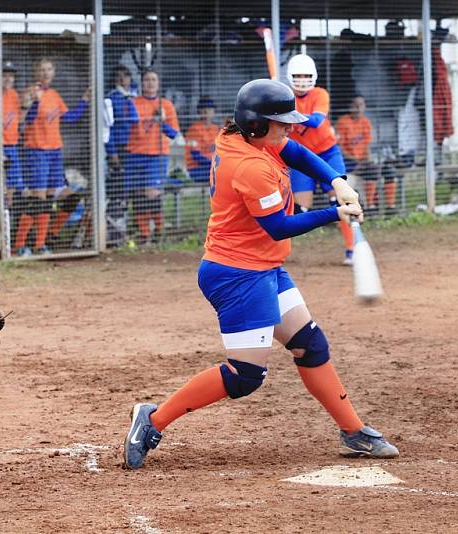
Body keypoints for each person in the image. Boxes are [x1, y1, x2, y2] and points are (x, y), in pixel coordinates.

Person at [122, 79, 399, 470]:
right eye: (281, 122)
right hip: (237, 274)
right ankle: (151, 420)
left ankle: (353, 431)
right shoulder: (250, 165)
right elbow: (279, 227)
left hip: (263, 265)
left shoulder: (246, 138)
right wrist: (334, 213)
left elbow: (297, 150)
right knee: (245, 376)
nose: (289, 128)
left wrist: (336, 181)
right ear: (256, 125)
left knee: (310, 345)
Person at [14, 57, 90, 256]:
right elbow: (27, 120)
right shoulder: (30, 92)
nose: (45, 73)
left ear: (53, 72)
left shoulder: (54, 95)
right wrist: (36, 101)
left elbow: (70, 118)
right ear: (36, 73)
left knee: (61, 197)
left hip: (55, 151)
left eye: (49, 70)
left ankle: (43, 242)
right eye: (42, 70)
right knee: (38, 198)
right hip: (37, 150)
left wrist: (85, 100)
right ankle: (20, 244)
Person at [286, 53, 355, 266]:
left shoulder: (320, 94)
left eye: (306, 75)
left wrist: (290, 114)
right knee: (300, 210)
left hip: (327, 153)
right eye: (298, 75)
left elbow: (316, 121)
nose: (302, 79)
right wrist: (280, 111)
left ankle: (352, 249)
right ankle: (275, 251)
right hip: (300, 158)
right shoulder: (284, 96)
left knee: (341, 199)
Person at [125, 69, 180, 246]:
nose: (150, 83)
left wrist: (161, 121)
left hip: (157, 154)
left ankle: (158, 231)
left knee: (153, 193)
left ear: (158, 83)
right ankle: (143, 234)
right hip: (135, 153)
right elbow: (126, 128)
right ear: (141, 83)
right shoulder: (133, 103)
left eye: (153, 80)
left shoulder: (166, 105)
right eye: (147, 80)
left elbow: (173, 134)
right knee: (139, 194)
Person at [105, 65, 139, 245]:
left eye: (125, 77)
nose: (122, 80)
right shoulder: (110, 98)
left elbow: (135, 120)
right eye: (118, 77)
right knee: (117, 191)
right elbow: (106, 128)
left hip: (133, 150)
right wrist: (112, 154)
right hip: (117, 149)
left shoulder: (131, 98)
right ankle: (113, 236)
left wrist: (129, 99)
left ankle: (123, 232)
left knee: (127, 192)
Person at [336, 95, 386, 212]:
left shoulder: (365, 122)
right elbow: (339, 149)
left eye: (361, 105)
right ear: (350, 107)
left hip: (361, 162)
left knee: (375, 170)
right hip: (347, 161)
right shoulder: (343, 122)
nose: (358, 108)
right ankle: (360, 206)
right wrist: (357, 160)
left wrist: (367, 160)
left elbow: (366, 146)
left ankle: (370, 207)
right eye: (355, 105)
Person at [1, 61, 26, 252]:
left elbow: (21, 120)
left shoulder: (14, 95)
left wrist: (26, 105)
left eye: (11, 75)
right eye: (4, 74)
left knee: (13, 188)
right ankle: (2, 240)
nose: (8, 78)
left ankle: (9, 240)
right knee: (0, 187)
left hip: (13, 145)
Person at [184, 97, 219, 183]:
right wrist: (213, 164)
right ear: (199, 111)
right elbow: (195, 155)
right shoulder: (194, 129)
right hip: (197, 168)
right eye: (204, 109)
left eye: (210, 109)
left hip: (214, 166)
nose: (207, 111)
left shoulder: (216, 128)